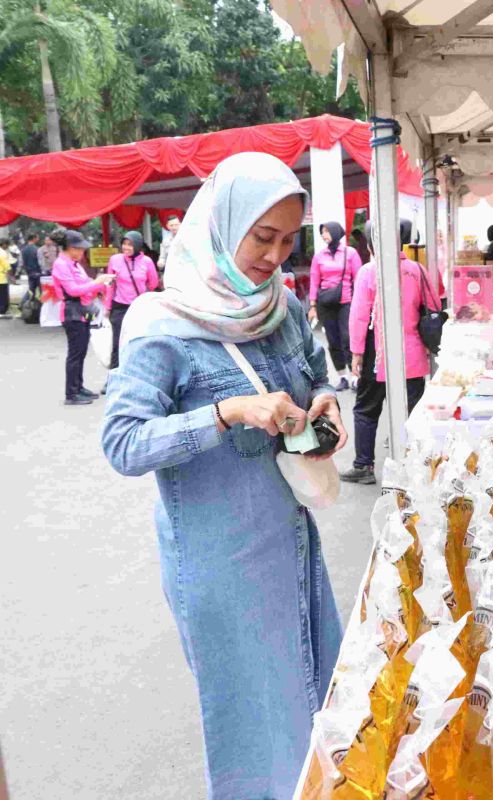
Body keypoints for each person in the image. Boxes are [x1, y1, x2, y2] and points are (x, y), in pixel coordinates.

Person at [101, 152, 346, 799]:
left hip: (294, 552)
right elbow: (122, 443)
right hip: (224, 570)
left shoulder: (283, 308)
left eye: (289, 240)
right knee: (259, 738)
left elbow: (318, 370)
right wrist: (225, 412)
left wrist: (325, 402)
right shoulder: (161, 325)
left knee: (320, 718)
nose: (275, 255)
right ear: (220, 223)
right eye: (262, 237)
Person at [342, 219, 438, 485]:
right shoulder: (417, 270)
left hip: (378, 355)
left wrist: (356, 352)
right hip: (413, 354)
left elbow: (359, 317)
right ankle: (414, 467)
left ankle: (363, 465)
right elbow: (433, 305)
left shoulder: (369, 271)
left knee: (365, 410)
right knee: (412, 413)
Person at [52, 230, 114, 404]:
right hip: (72, 312)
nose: (82, 252)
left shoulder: (74, 264)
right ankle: (71, 394)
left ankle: (78, 387)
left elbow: (86, 283)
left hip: (82, 309)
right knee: (75, 354)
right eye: (79, 249)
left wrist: (101, 285)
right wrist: (97, 282)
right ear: (70, 248)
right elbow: (73, 290)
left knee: (81, 353)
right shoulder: (61, 264)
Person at [307, 220, 362, 391]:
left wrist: (359, 303)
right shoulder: (319, 256)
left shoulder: (350, 253)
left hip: (346, 302)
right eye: (322, 232)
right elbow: (314, 280)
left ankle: (355, 376)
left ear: (336, 232)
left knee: (347, 338)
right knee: (332, 340)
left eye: (326, 231)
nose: (324, 235)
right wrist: (313, 305)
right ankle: (342, 376)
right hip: (325, 304)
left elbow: (358, 279)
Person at [104, 231, 159, 370]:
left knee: (139, 340)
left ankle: (138, 372)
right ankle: (113, 376)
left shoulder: (146, 261)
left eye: (130, 245)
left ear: (138, 245)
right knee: (117, 342)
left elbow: (153, 283)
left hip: (139, 307)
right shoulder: (115, 259)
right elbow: (110, 285)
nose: (126, 247)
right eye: (124, 244)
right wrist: (107, 307)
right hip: (120, 306)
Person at [0, 239, 11, 318]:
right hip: (1, 278)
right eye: (7, 245)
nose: (7, 246)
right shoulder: (2, 253)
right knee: (3, 296)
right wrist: (12, 277)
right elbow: (6, 266)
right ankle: (2, 311)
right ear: (3, 244)